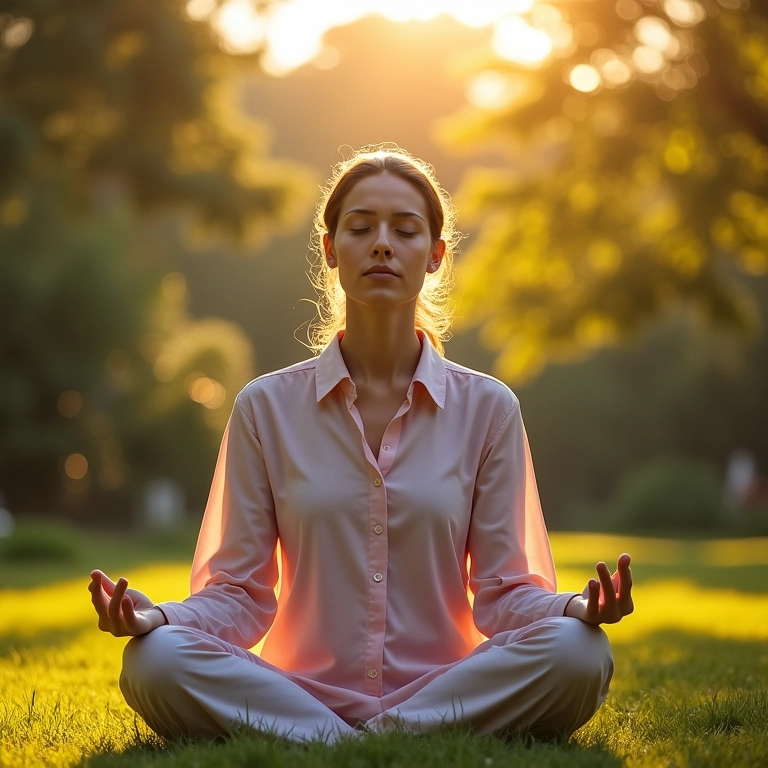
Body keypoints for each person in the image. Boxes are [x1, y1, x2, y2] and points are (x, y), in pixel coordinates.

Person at [89, 146, 634, 744]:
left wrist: (575, 610)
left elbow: (505, 594)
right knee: (153, 659)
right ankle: (367, 738)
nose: (382, 244)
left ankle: (345, 740)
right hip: (300, 691)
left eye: (404, 230)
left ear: (434, 256)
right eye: (360, 227)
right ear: (330, 248)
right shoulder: (264, 408)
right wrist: (157, 618)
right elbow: (239, 596)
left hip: (447, 687)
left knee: (580, 652)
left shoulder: (488, 408)